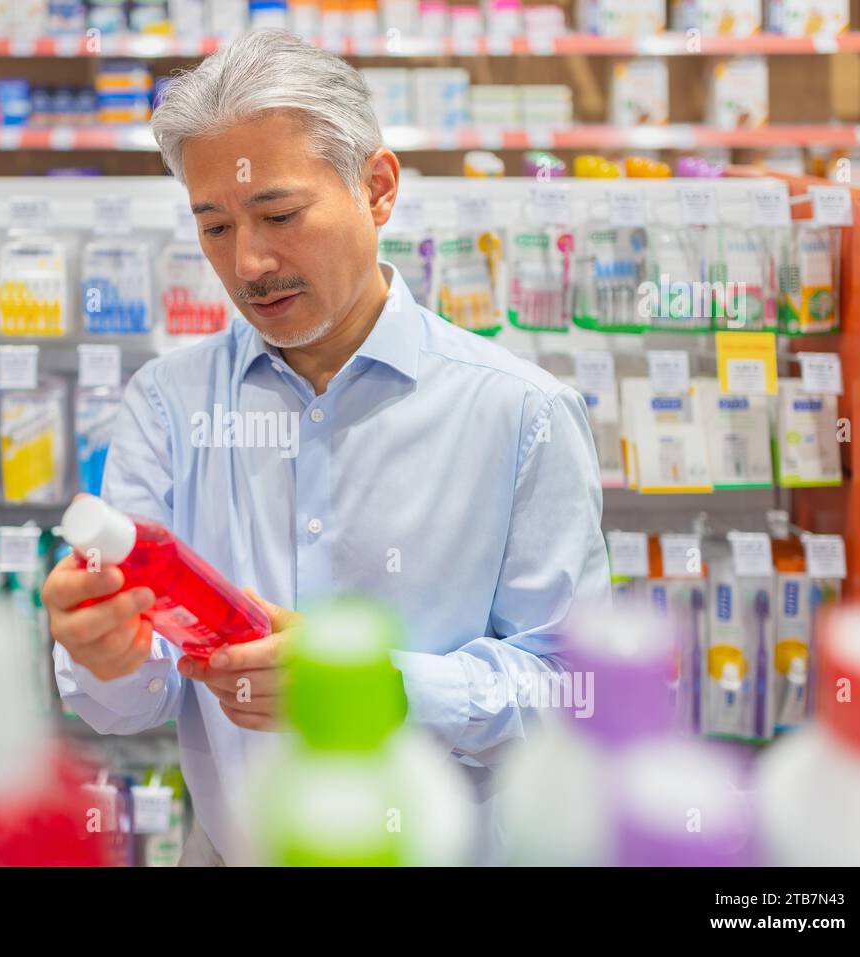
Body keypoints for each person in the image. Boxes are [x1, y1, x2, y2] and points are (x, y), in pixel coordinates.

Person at [46, 29, 610, 865]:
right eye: (214, 226)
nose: (249, 263)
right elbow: (131, 704)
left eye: (279, 214)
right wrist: (102, 652)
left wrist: (379, 685)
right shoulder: (167, 406)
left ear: (377, 188)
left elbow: (573, 694)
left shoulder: (519, 412)